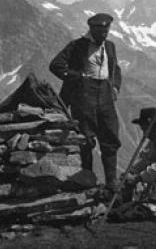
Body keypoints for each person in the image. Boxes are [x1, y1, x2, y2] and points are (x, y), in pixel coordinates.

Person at [49, 13, 121, 192]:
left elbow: (115, 69)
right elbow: (56, 65)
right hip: (83, 95)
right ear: (92, 29)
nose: (104, 34)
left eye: (106, 31)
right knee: (86, 138)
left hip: (105, 94)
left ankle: (112, 183)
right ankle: (86, 181)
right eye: (100, 31)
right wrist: (77, 77)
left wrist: (115, 87)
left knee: (110, 135)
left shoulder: (110, 46)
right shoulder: (77, 45)